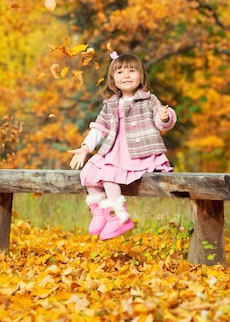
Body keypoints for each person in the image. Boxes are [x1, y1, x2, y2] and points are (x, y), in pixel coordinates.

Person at [69, 51, 176, 241]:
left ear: (141, 75)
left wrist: (164, 116)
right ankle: (101, 213)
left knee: (109, 174)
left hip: (138, 152)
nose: (126, 75)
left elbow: (162, 123)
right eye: (120, 72)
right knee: (87, 174)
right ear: (113, 79)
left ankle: (119, 217)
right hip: (114, 151)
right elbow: (99, 128)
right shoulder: (110, 104)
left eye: (132, 71)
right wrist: (85, 147)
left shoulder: (149, 100)